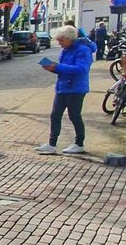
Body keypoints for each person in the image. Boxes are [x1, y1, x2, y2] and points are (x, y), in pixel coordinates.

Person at [37, 25, 93, 155]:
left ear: (70, 39)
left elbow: (81, 69)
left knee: (74, 116)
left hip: (76, 88)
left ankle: (79, 143)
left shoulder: (83, 50)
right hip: (63, 87)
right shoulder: (67, 49)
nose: (59, 43)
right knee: (55, 115)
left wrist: (57, 67)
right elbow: (63, 68)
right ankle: (52, 144)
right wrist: (53, 68)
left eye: (61, 40)